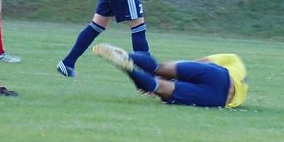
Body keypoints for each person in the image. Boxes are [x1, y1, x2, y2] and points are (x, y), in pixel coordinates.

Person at [92, 43, 248, 108]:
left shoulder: (234, 59)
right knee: (158, 87)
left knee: (158, 67)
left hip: (219, 74)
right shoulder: (242, 96)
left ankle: (126, 55)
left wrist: (166, 74)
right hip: (218, 97)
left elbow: (199, 63)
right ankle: (128, 69)